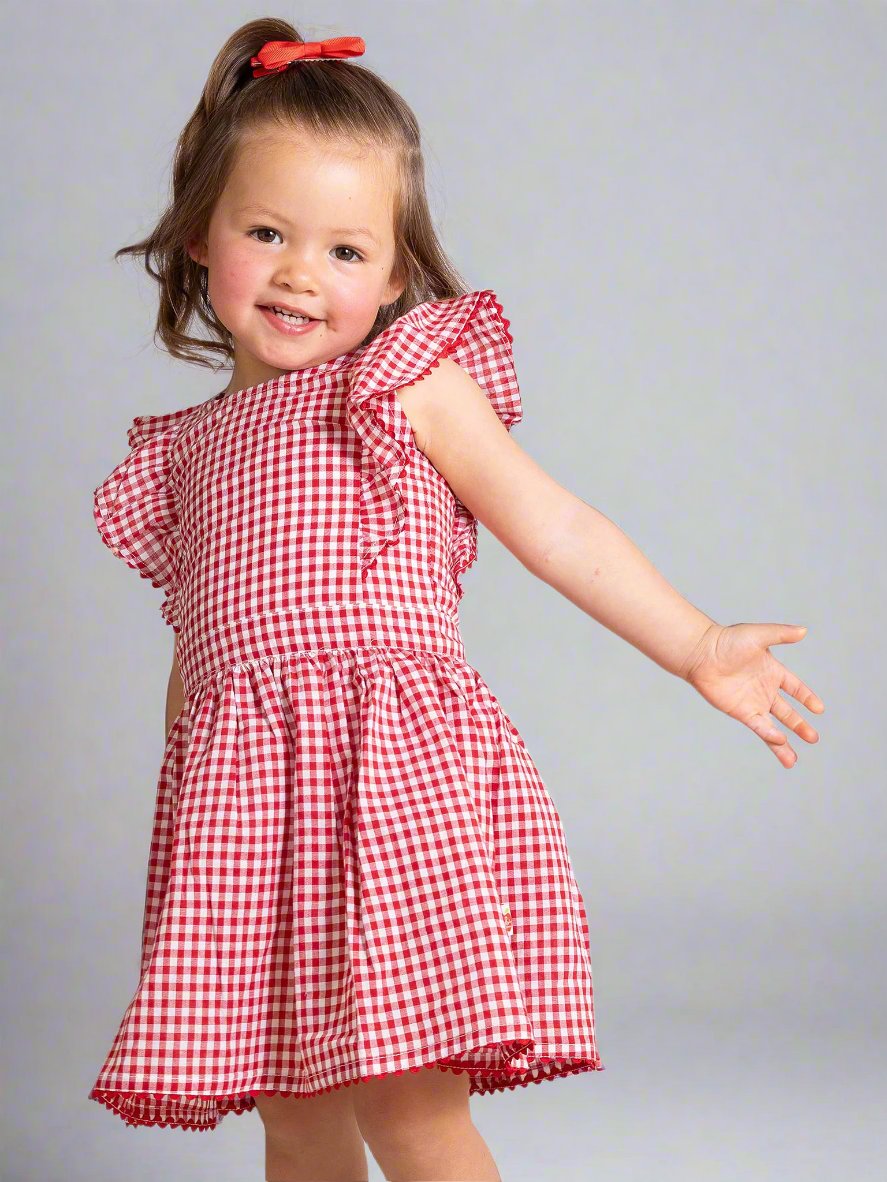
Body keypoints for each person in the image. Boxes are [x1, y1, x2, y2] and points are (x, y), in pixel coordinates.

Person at [86, 18, 825, 1182]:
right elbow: (201, 655)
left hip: (390, 796)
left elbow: (554, 525)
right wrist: (196, 808)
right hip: (253, 826)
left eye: (343, 251)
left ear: (393, 274)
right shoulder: (181, 460)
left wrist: (695, 643)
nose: (297, 272)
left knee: (412, 1114)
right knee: (294, 1120)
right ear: (196, 239)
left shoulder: (403, 383)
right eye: (266, 232)